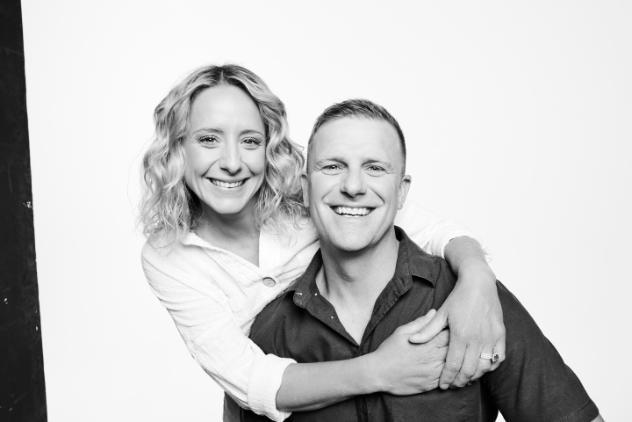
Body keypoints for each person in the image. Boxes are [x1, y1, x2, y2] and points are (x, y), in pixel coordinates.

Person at [140, 64, 504, 421]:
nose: (232, 162)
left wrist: (477, 279)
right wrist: (381, 369)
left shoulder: (311, 195)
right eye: (208, 139)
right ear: (178, 148)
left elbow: (425, 227)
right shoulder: (168, 256)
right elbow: (250, 380)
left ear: (269, 149)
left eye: (250, 141)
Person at [238, 99, 602, 421]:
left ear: (402, 192)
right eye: (332, 166)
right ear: (304, 187)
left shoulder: (473, 302)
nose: (353, 186)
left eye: (375, 168)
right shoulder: (269, 333)